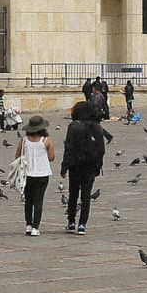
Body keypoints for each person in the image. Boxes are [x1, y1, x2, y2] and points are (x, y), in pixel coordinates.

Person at [60, 100, 110, 234]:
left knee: (73, 194)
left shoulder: (73, 126)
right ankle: (82, 224)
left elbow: (68, 147)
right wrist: (98, 165)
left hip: (75, 165)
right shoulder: (97, 127)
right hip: (90, 166)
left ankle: (71, 222)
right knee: (86, 195)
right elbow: (101, 149)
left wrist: (64, 167)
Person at [14, 115, 55, 236]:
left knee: (28, 201)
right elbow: (52, 157)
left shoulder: (24, 140)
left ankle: (28, 225)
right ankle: (35, 227)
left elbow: (17, 156)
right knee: (38, 200)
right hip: (42, 174)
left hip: (27, 174)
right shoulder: (46, 140)